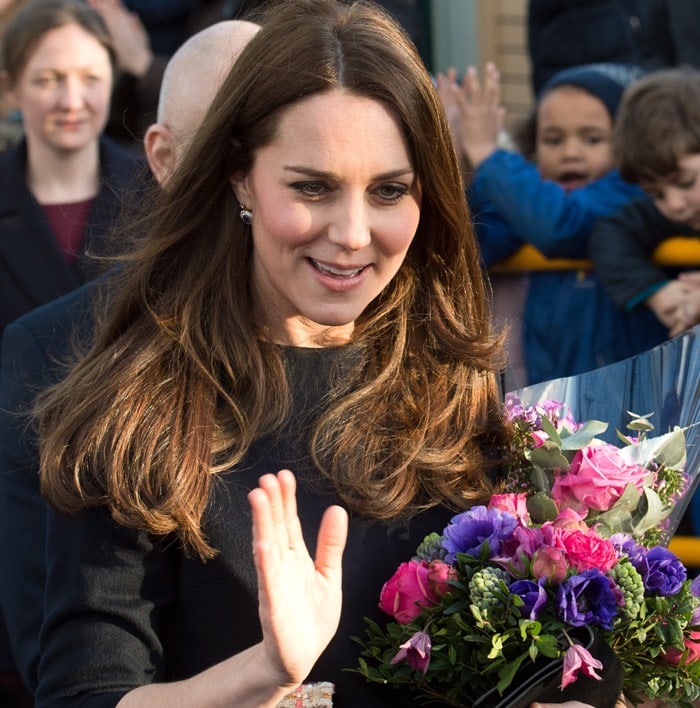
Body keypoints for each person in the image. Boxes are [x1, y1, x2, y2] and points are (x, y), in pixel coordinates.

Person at [0, 16, 260, 705]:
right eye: (49, 78)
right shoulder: (57, 338)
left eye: (89, 78)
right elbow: (68, 654)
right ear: (165, 156)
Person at [437, 61, 667, 386]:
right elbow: (472, 246)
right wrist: (457, 167)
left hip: (631, 401)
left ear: (630, 146)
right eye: (553, 139)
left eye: (592, 139)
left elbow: (559, 224)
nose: (570, 153)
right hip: (555, 401)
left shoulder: (628, 192)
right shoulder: (527, 201)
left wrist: (487, 153)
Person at [0, 0, 147, 340]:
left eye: (91, 78)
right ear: (11, 89)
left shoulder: (157, 193)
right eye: (49, 80)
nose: (72, 101)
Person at [590, 67, 700, 343]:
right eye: (656, 194)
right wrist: (657, 293)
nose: (674, 204)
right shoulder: (677, 215)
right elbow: (611, 235)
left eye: (685, 182)